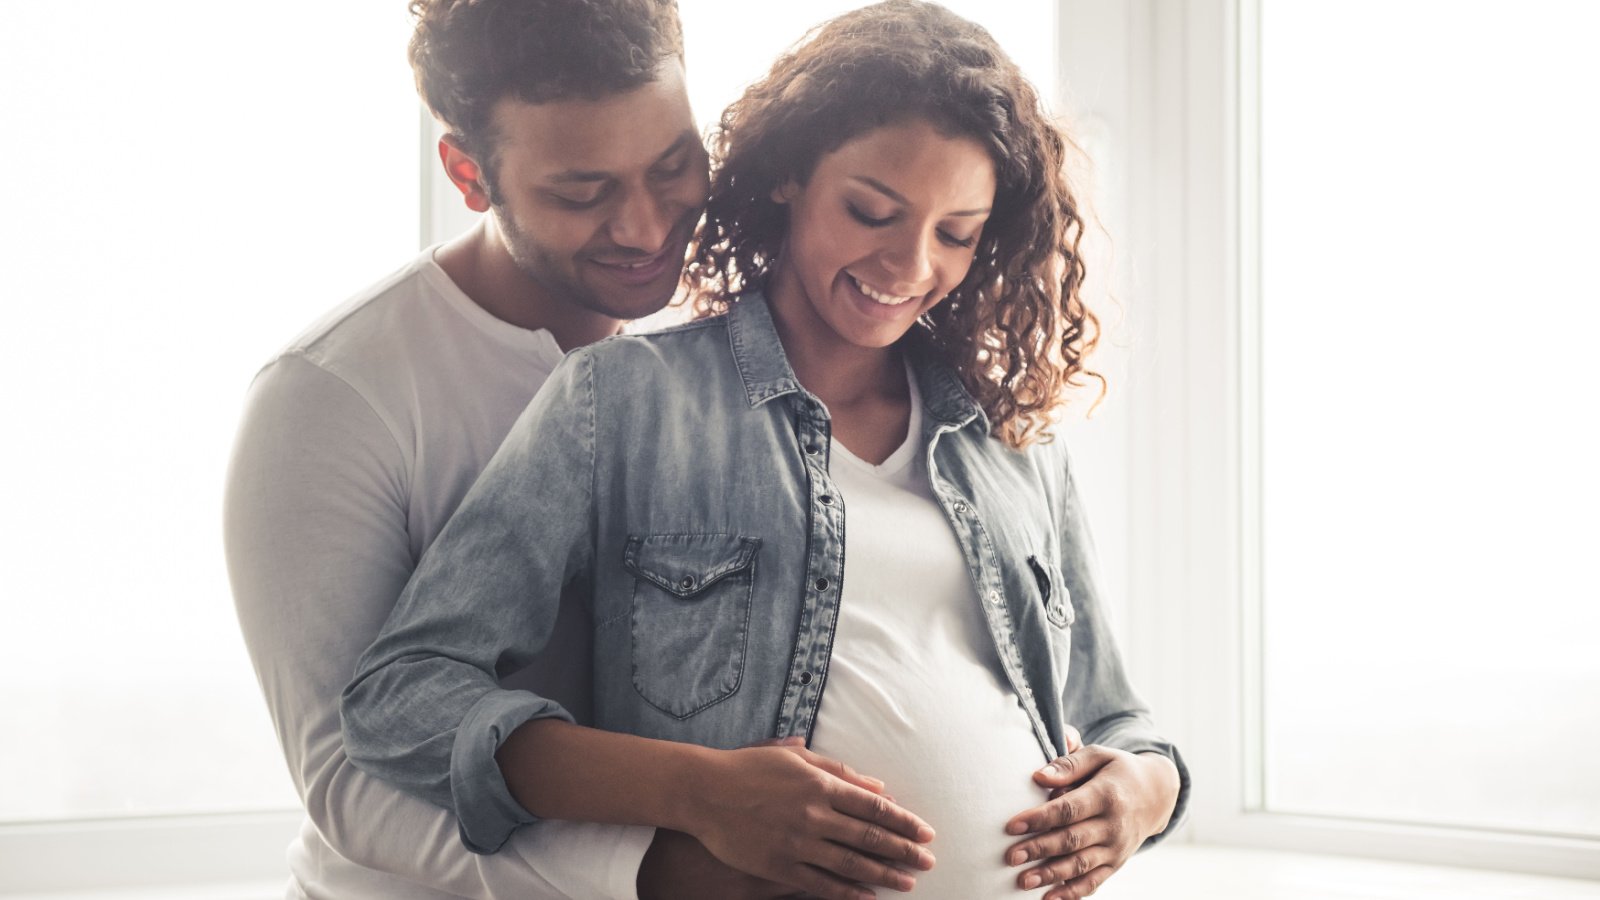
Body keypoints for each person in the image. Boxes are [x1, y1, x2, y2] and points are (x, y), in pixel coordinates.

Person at [341, 2, 1192, 899]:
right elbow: (402, 699)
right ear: (790, 175)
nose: (909, 267)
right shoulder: (624, 403)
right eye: (872, 212)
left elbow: (1113, 716)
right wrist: (698, 794)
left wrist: (1149, 788)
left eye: (955, 233)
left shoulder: (1012, 440)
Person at [224, 0, 818, 896]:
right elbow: (348, 780)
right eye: (582, 193)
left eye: (672, 167)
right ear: (469, 174)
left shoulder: (726, 349)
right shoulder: (330, 397)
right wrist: (662, 868)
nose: (648, 227)